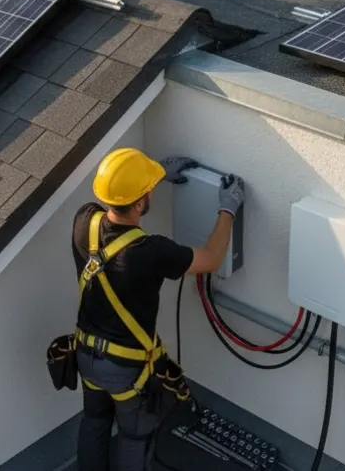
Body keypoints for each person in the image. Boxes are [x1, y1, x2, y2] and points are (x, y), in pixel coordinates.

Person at [71, 148, 241, 471]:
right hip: (126, 368)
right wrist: (227, 209)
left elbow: (116, 199)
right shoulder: (151, 252)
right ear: (139, 203)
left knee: (94, 422)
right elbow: (212, 258)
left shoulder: (84, 223)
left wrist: (156, 175)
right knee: (135, 437)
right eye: (147, 191)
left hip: (86, 355)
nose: (151, 193)